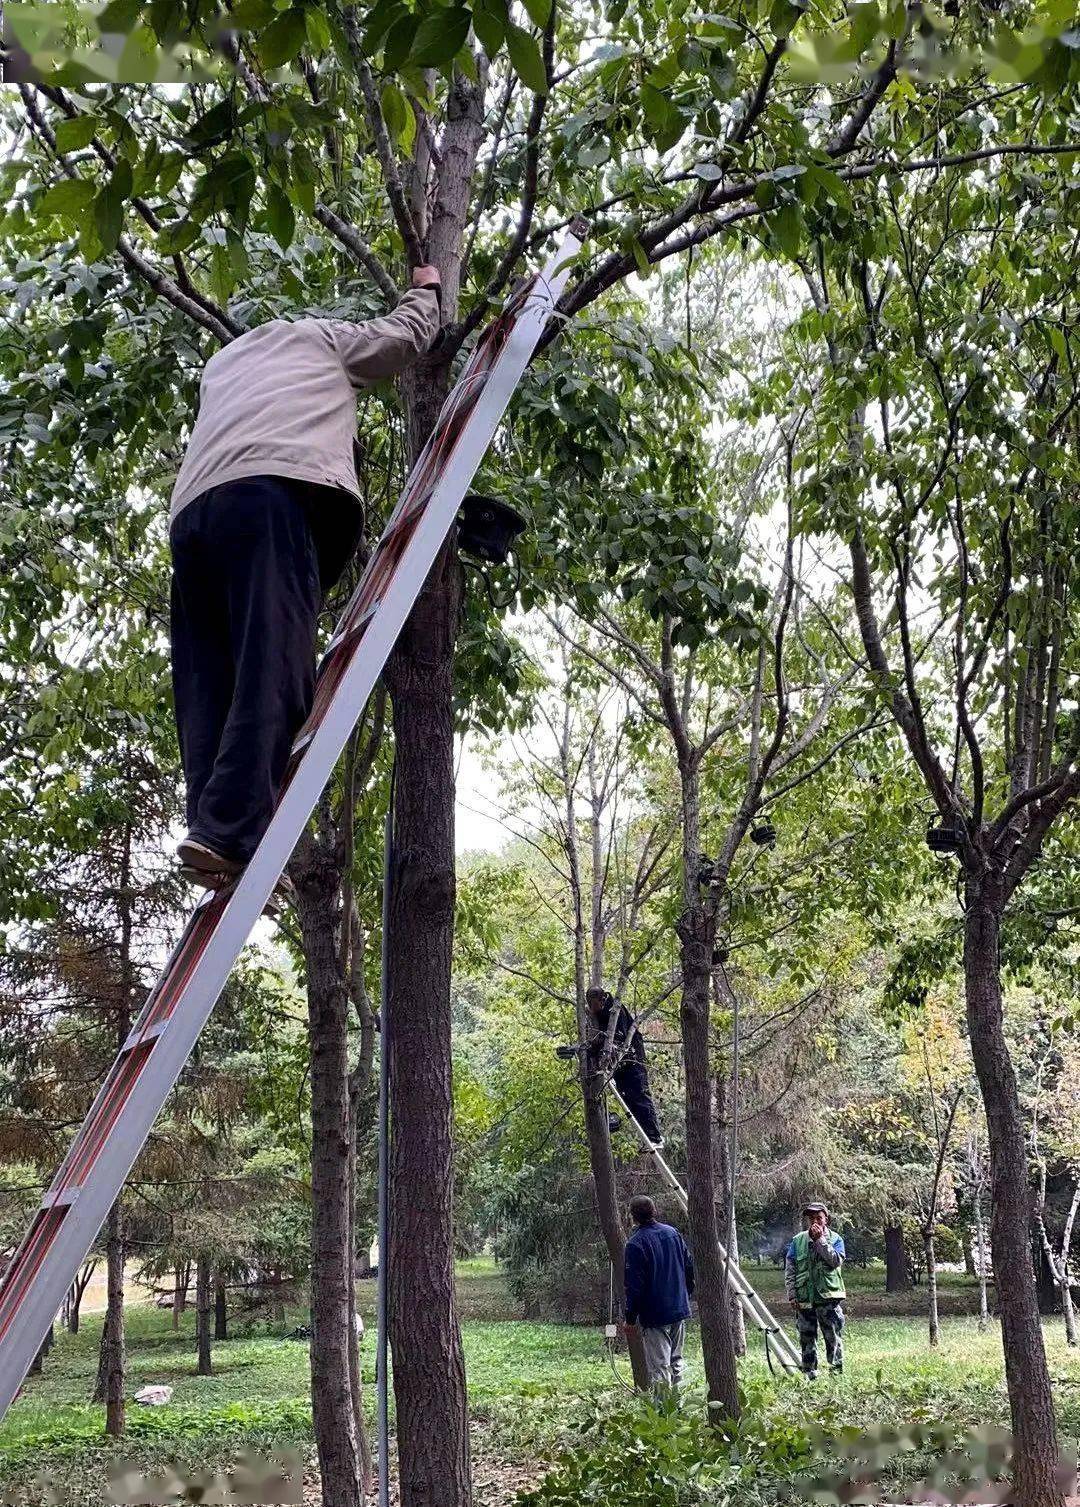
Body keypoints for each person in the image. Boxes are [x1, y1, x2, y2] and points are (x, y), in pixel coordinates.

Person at [168, 267, 442, 895]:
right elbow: (398, 342)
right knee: (278, 670)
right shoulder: (319, 337)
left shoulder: (223, 366)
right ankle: (233, 833)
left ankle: (216, 834)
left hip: (193, 516)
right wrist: (425, 289)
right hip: (274, 495)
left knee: (208, 683)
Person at [623, 1194, 694, 1393]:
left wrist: (630, 1318)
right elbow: (689, 1267)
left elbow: (634, 1286)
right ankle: (678, 1406)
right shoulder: (673, 1233)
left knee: (660, 1365)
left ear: (633, 1217)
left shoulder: (635, 1244)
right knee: (676, 1360)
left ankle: (665, 1415)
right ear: (654, 1211)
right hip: (678, 1307)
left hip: (654, 1315)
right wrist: (685, 1294)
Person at [586, 986, 663, 1148]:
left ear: (601, 999)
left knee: (639, 1094)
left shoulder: (615, 1010)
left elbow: (619, 1038)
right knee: (627, 1097)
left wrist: (600, 1045)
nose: (593, 1009)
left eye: (594, 1004)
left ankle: (654, 1136)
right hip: (618, 1063)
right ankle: (647, 1137)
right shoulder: (597, 1014)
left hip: (632, 1057)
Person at [785, 1200, 846, 1379]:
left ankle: (836, 1375)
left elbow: (835, 1261)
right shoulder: (797, 1241)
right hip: (804, 1298)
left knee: (832, 1337)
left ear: (826, 1219)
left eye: (819, 1218)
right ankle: (810, 1376)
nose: (815, 1222)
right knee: (806, 1338)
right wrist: (792, 1294)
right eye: (811, 1219)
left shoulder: (836, 1239)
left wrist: (820, 1240)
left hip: (828, 1298)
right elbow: (790, 1269)